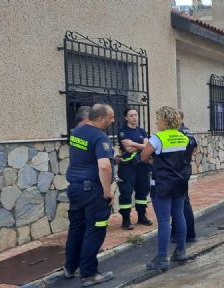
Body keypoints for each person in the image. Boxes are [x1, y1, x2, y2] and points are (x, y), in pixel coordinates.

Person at [63, 103, 115, 287]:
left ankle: (70, 268)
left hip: (75, 189)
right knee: (95, 229)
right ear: (100, 118)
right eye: (111, 117)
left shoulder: (76, 132)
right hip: (92, 191)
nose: (113, 120)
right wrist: (107, 191)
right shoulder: (100, 137)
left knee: (77, 228)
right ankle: (89, 274)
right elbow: (104, 166)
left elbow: (86, 156)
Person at [140, 106, 190, 271]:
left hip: (162, 183)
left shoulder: (157, 138)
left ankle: (162, 258)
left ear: (164, 120)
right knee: (179, 215)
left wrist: (156, 163)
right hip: (180, 182)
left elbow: (144, 157)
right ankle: (181, 251)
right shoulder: (183, 137)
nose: (156, 121)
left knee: (163, 220)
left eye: (158, 118)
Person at [116, 108, 153, 230]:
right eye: (131, 115)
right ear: (126, 118)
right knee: (126, 192)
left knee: (143, 191)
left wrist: (134, 144)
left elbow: (147, 147)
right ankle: (126, 220)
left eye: (136, 115)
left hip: (142, 165)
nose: (134, 117)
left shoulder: (141, 131)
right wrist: (140, 146)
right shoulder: (122, 131)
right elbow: (128, 149)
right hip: (127, 167)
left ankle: (141, 216)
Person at [171, 110, 198, 243]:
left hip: (178, 170)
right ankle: (184, 232)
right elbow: (194, 147)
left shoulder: (179, 133)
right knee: (182, 201)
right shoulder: (188, 131)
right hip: (185, 168)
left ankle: (186, 234)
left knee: (181, 202)